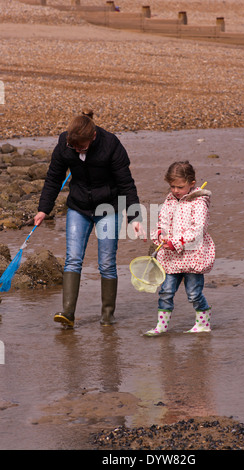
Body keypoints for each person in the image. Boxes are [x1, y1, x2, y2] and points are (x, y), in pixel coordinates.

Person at [34, 109, 145, 328]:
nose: (77, 150)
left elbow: (126, 183)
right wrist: (43, 209)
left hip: (109, 208)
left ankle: (107, 316)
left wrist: (134, 217)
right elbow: (54, 178)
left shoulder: (111, 145)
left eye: (81, 147)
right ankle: (68, 314)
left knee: (106, 263)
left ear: (92, 137)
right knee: (73, 259)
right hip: (78, 207)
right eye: (73, 146)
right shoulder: (65, 144)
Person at [144, 161, 215, 336]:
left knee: (193, 293)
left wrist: (176, 242)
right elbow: (162, 222)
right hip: (170, 258)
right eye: (172, 186)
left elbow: (198, 229)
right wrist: (160, 235)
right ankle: (161, 326)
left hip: (193, 255)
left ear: (191, 184)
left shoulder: (199, 201)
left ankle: (203, 323)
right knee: (166, 291)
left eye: (180, 187)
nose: (175, 190)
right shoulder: (169, 200)